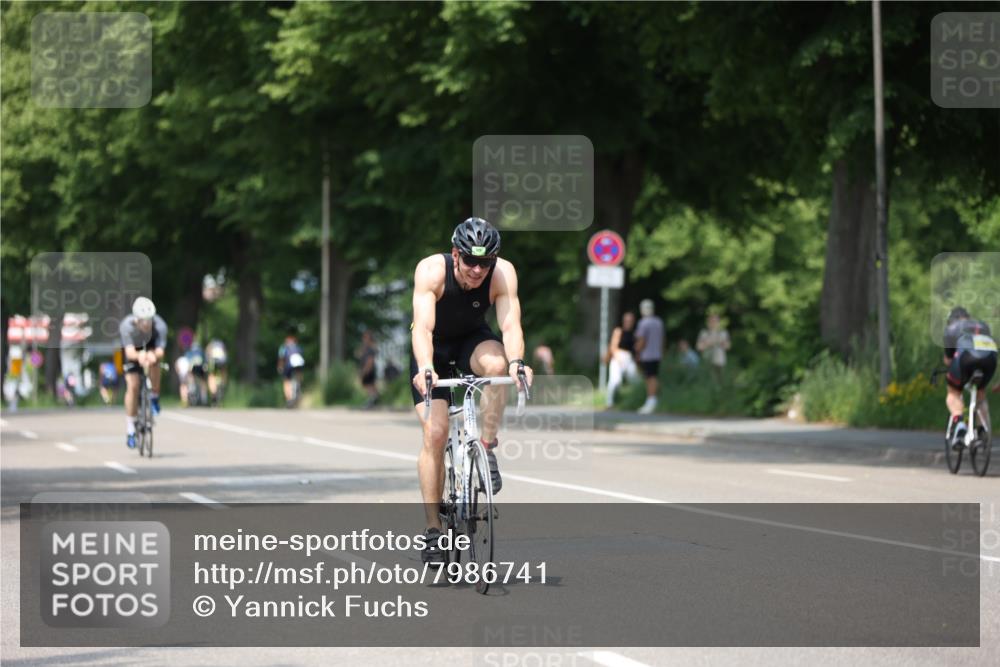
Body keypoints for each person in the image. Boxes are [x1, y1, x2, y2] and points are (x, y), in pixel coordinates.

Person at [410, 217, 533, 564]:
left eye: (485, 262)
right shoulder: (431, 271)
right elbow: (422, 327)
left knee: (497, 367)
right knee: (435, 433)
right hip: (432, 348)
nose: (478, 270)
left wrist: (517, 362)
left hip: (471, 340)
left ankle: (487, 446)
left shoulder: (502, 273)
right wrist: (425, 367)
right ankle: (433, 529)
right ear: (455, 255)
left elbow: (510, 324)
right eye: (470, 261)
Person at [942, 306, 997, 449]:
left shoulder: (951, 328)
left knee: (953, 391)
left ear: (951, 320)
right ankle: (981, 430)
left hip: (966, 359)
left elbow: (948, 361)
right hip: (989, 358)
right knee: (980, 392)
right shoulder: (982, 325)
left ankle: (959, 422)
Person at [120, 296, 167, 449]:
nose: (147, 323)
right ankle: (131, 429)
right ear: (136, 319)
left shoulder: (160, 326)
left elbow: (160, 350)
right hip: (134, 351)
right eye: (143, 320)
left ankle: (154, 395)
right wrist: (139, 356)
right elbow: (129, 352)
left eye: (149, 320)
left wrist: (154, 355)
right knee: (133, 386)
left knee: (155, 364)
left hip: (151, 348)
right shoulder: (127, 326)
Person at [633, 299, 664, 415]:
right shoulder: (659, 322)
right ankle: (655, 399)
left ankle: (651, 401)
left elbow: (642, 340)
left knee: (649, 378)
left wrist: (637, 351)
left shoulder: (643, 323)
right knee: (654, 377)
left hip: (647, 355)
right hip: (657, 354)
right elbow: (662, 340)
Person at [604, 311, 638, 408]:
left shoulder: (634, 333)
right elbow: (613, 346)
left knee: (636, 380)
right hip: (618, 357)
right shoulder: (619, 331)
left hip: (629, 358)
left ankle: (634, 401)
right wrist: (618, 359)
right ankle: (609, 402)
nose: (629, 322)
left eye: (630, 320)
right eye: (627, 320)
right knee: (615, 381)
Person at [697, 313, 731, 383]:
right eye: (711, 321)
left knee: (720, 380)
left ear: (718, 322)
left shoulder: (723, 333)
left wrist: (720, 342)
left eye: (715, 321)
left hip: (720, 361)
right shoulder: (704, 333)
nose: (713, 323)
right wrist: (709, 343)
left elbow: (728, 346)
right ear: (708, 322)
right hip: (707, 360)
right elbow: (699, 347)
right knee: (708, 381)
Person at [277, 326, 306, 407]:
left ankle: (289, 398)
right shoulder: (298, 347)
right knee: (299, 374)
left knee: (286, 380)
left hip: (289, 364)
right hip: (299, 363)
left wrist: (280, 367)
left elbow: (281, 358)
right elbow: (302, 356)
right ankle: (299, 387)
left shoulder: (284, 347)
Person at [357, 330, 379, 409]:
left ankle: (372, 400)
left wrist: (365, 371)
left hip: (368, 370)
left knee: (368, 385)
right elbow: (360, 354)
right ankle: (373, 400)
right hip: (368, 369)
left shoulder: (370, 349)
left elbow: (370, 361)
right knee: (369, 385)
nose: (363, 339)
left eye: (365, 338)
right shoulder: (366, 348)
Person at [205, 338, 228, 405]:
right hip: (222, 361)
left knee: (211, 375)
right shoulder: (221, 345)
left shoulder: (211, 345)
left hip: (213, 361)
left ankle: (214, 393)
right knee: (223, 371)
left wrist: (207, 361)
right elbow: (225, 355)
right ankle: (223, 384)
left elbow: (207, 353)